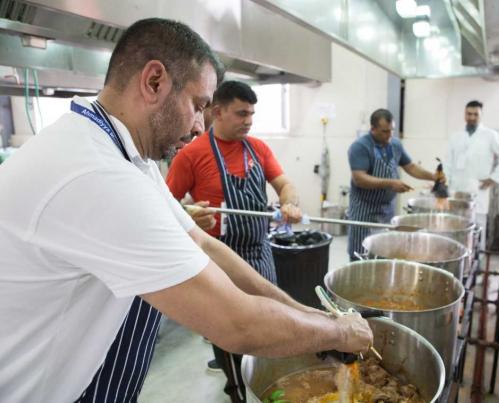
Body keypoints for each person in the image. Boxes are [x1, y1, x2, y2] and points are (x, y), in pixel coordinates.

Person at [0, 18, 372, 403]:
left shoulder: (126, 156)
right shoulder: (96, 173)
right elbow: (237, 322)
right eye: (198, 106)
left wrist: (316, 318)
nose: (199, 126)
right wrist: (339, 334)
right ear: (155, 81)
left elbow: (203, 246)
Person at [166, 81, 303, 401]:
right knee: (230, 333)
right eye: (241, 113)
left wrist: (290, 201)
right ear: (218, 112)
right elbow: (165, 206)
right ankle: (238, 391)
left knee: (269, 322)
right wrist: (188, 213)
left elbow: (284, 184)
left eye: (252, 114)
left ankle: (266, 382)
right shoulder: (192, 155)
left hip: (260, 250)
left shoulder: (258, 148)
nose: (249, 121)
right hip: (219, 257)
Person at [347, 108, 440, 260]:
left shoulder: (395, 144)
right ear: (373, 129)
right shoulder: (360, 147)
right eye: (384, 131)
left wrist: (433, 177)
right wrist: (390, 183)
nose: (389, 135)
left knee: (383, 253)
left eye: (392, 131)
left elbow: (410, 167)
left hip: (386, 210)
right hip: (364, 211)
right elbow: (360, 178)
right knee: (361, 253)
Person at [443, 100, 499, 247]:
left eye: (476, 114)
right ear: (465, 114)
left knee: (477, 232)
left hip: (478, 192)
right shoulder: (456, 137)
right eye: (469, 114)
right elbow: (447, 163)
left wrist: (494, 178)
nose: (472, 117)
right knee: (454, 231)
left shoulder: (490, 135)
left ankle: (476, 265)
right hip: (456, 191)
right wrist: (444, 185)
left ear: (481, 115)